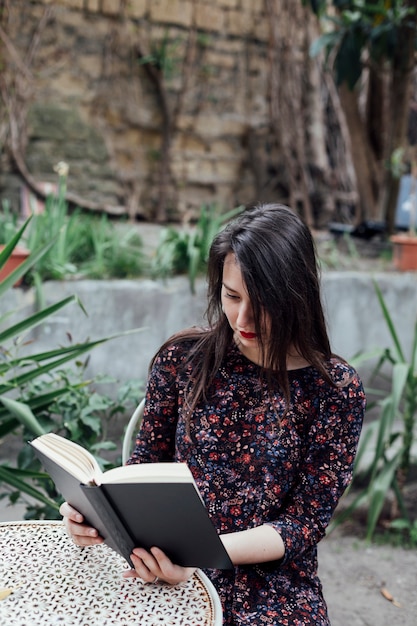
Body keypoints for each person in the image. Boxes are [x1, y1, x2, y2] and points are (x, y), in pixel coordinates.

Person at [61, 203, 366, 625]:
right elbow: (143, 472)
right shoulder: (182, 360)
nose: (242, 319)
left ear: (297, 296)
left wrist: (204, 556)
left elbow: (303, 523)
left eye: (262, 303)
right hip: (166, 568)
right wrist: (95, 517)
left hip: (273, 585)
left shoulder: (334, 389)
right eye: (231, 295)